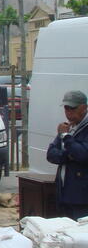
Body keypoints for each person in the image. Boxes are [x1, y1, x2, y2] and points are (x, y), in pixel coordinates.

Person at [47, 90, 88, 220]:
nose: (68, 111)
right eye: (66, 108)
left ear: (83, 108)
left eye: (72, 108)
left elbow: (82, 155)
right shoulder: (67, 127)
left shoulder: (78, 130)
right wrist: (69, 155)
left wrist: (66, 137)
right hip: (64, 192)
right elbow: (51, 154)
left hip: (82, 196)